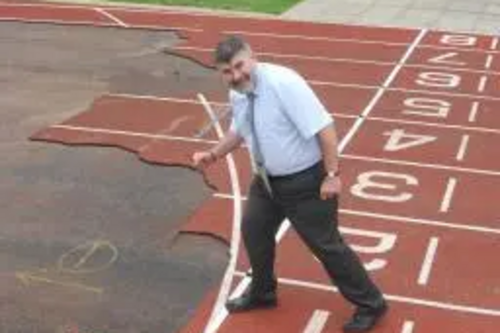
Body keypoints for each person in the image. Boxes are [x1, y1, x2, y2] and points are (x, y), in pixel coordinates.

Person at [192, 35, 388, 332]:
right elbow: (239, 130)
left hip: (306, 182)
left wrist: (332, 175)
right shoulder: (239, 92)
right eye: (227, 71)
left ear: (252, 57)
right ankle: (263, 291)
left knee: (326, 246)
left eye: (239, 66)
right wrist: (213, 154)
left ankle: (371, 303)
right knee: (254, 231)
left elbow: (325, 127)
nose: (236, 75)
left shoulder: (284, 84)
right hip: (267, 182)